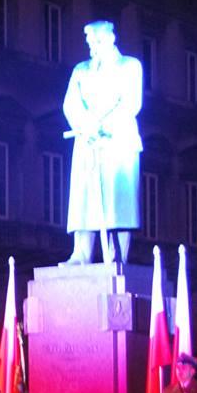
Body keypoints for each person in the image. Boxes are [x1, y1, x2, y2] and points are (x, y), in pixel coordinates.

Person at [63, 20, 143, 265]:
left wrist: (103, 126)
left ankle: (118, 255)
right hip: (87, 141)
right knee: (84, 198)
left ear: (109, 39)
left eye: (96, 42)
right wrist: (86, 124)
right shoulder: (81, 70)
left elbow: (131, 103)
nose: (92, 47)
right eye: (89, 43)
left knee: (118, 202)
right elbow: (70, 104)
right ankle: (81, 253)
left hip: (118, 140)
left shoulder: (129, 66)